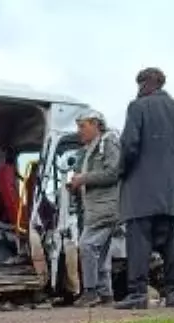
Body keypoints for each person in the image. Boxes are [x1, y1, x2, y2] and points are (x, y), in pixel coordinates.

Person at [116, 67, 174, 311]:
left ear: (145, 84)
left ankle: (137, 294)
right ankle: (173, 293)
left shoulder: (137, 107)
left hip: (140, 193)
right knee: (171, 247)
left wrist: (121, 172)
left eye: (139, 84)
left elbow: (130, 146)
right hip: (171, 193)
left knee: (139, 246)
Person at [69, 110, 121, 307]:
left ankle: (91, 292)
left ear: (96, 124)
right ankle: (105, 293)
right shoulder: (91, 148)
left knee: (87, 245)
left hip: (105, 208)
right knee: (101, 252)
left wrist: (83, 179)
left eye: (82, 126)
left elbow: (113, 172)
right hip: (96, 207)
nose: (79, 131)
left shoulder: (108, 142)